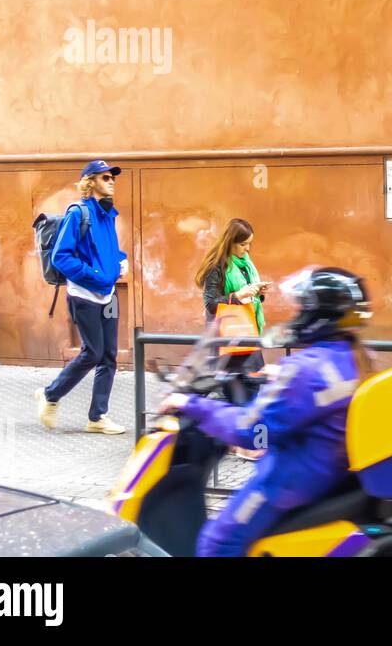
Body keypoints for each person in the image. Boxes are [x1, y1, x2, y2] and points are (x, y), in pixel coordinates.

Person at [159, 267, 371, 557]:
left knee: (216, 543)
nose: (297, 315)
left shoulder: (304, 370)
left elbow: (253, 432)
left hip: (288, 481)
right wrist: (282, 379)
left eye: (303, 308)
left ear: (319, 316)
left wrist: (192, 404)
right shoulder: (355, 358)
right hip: (326, 472)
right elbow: (317, 392)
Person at [34, 160, 128, 435]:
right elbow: (61, 257)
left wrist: (120, 262)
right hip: (84, 295)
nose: (112, 181)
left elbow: (110, 251)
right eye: (106, 177)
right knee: (93, 352)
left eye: (113, 178)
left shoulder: (108, 213)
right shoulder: (79, 213)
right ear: (90, 182)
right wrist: (96, 276)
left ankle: (97, 417)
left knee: (109, 355)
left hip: (108, 296)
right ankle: (50, 395)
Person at [195, 217, 271, 458]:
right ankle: (240, 441)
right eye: (243, 244)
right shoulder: (216, 267)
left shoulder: (245, 264)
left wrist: (258, 292)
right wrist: (238, 295)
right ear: (230, 242)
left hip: (248, 333)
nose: (247, 249)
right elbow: (210, 304)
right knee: (235, 388)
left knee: (251, 383)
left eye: (250, 244)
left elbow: (249, 299)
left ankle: (237, 439)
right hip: (227, 338)